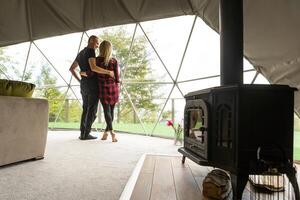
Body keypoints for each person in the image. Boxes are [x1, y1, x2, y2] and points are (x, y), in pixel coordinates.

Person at [69, 35, 114, 140]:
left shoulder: (80, 53)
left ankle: (83, 133)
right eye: (97, 43)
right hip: (92, 85)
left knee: (85, 109)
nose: (98, 45)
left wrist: (80, 80)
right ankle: (86, 134)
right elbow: (93, 68)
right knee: (92, 110)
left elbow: (72, 69)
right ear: (91, 41)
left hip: (84, 85)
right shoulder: (91, 51)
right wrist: (109, 72)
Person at [81, 40, 119, 142]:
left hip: (103, 89)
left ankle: (111, 132)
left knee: (107, 112)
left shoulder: (97, 60)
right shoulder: (114, 61)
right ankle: (107, 132)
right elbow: (117, 78)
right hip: (113, 89)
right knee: (111, 112)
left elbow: (91, 73)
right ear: (110, 49)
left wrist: (82, 73)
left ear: (101, 49)